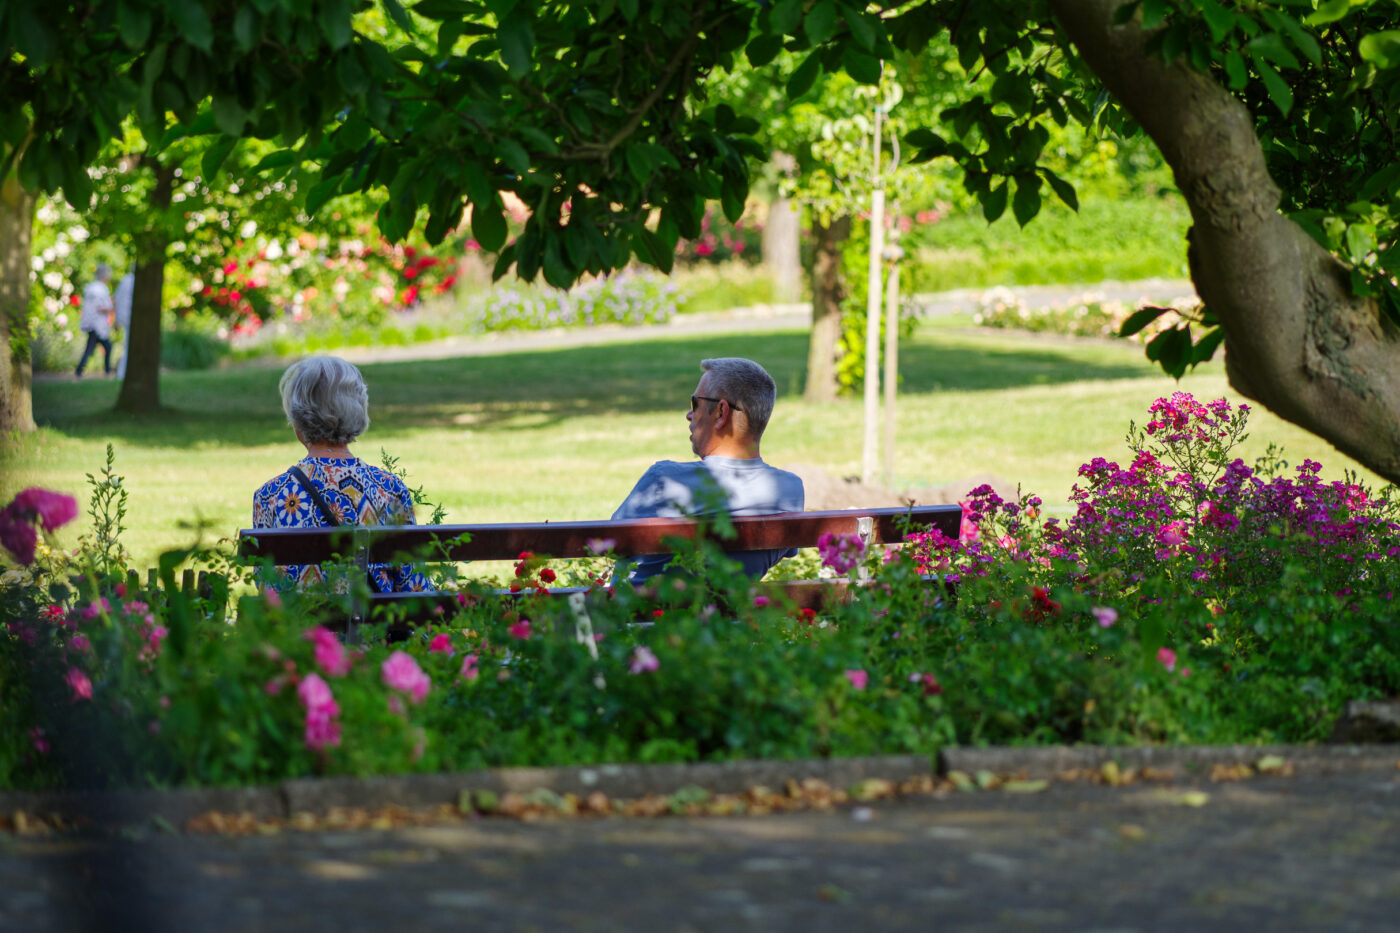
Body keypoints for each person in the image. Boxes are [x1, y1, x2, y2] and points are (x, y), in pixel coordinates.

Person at [612, 357, 804, 583]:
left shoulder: (664, 481)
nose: (689, 414)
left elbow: (609, 544)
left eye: (695, 403)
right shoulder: (791, 490)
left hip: (640, 617)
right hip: (729, 617)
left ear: (722, 412)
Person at [252, 356, 431, 593]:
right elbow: (413, 588)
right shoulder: (389, 489)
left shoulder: (270, 496)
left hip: (300, 630)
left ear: (297, 419)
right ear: (359, 412)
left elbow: (267, 588)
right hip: (374, 629)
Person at [74, 263, 115, 378]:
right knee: (101, 347)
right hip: (97, 324)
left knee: (93, 348)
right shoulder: (101, 289)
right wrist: (112, 308)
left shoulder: (90, 287)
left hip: (90, 322)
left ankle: (80, 371)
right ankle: (106, 371)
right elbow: (100, 307)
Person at [113, 267, 135, 380]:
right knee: (130, 345)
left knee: (127, 344)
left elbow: (116, 299)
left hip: (123, 316)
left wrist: (117, 319)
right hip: (131, 317)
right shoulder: (134, 281)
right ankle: (122, 373)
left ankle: (122, 373)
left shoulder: (125, 280)